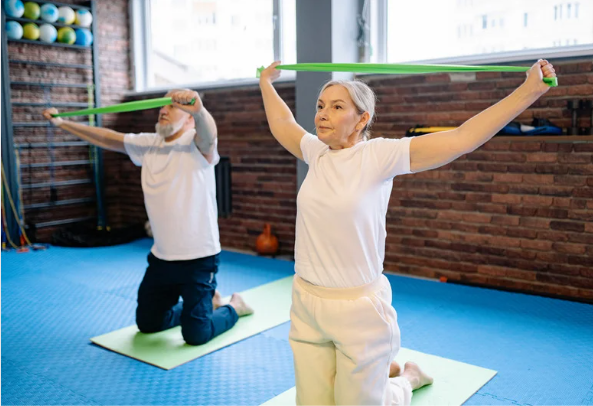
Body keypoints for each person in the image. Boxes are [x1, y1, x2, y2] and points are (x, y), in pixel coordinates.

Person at [258, 59, 556, 405]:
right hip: (306, 302)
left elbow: (462, 139)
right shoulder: (316, 153)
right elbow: (282, 122)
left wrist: (530, 89)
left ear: (362, 119)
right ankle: (382, 374)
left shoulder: (378, 156)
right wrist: (267, 82)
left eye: (337, 107)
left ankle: (407, 380)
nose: (323, 114)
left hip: (358, 309)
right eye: (321, 106)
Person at [43, 89, 253, 346]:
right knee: (149, 324)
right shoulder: (149, 144)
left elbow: (209, 136)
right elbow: (108, 138)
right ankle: (204, 305)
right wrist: (63, 123)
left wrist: (198, 111)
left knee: (196, 335)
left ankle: (233, 306)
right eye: (161, 107)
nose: (163, 110)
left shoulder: (196, 144)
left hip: (199, 260)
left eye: (172, 107)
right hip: (162, 259)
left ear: (188, 120)